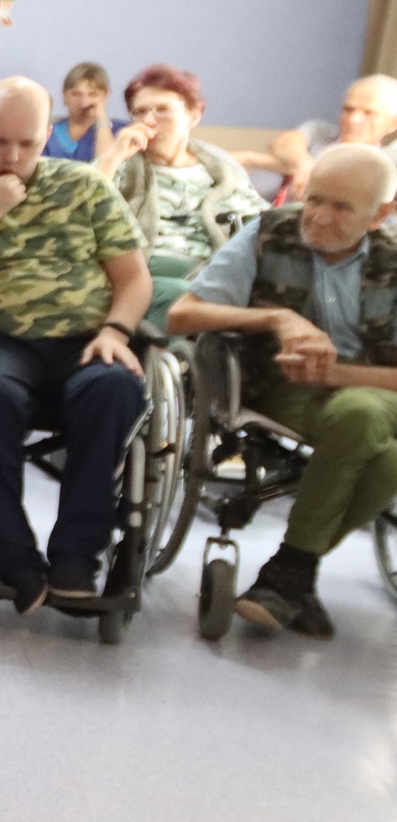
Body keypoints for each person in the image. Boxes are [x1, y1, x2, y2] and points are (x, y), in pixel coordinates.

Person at [0, 76, 150, 613]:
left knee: (115, 390)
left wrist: (115, 331)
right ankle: (11, 554)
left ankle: (76, 557)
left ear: (47, 136)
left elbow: (134, 279)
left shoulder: (87, 187)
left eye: (28, 143)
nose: (12, 156)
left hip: (84, 341)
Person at [170, 143, 397, 639]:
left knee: (361, 409)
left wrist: (335, 375)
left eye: (342, 207)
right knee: (389, 459)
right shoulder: (269, 234)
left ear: (382, 214)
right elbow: (182, 315)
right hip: (280, 382)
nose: (318, 216)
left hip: (375, 390)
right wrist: (277, 316)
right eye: (315, 198)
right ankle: (294, 577)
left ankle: (288, 573)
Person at [100, 64, 265, 328]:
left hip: (212, 271)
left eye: (162, 109)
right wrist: (113, 155)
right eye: (139, 112)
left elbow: (259, 221)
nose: (149, 121)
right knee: (182, 296)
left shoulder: (221, 168)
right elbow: (79, 204)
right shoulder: (124, 164)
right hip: (146, 272)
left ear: (194, 114)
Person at [234, 74, 397, 201]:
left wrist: (253, 159)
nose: (353, 119)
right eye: (348, 109)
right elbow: (283, 143)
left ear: (392, 124)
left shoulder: (384, 163)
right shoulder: (322, 132)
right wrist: (303, 164)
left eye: (369, 113)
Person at [45, 62, 121, 163]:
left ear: (105, 96)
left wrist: (102, 120)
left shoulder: (120, 131)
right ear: (64, 95)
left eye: (92, 95)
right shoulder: (48, 131)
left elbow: (107, 168)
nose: (84, 102)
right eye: (76, 94)